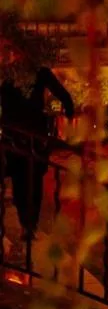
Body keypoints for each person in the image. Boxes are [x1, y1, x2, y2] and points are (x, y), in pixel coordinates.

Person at [0, 42, 75, 241]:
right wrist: (68, 116)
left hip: (23, 138)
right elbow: (65, 98)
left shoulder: (18, 73)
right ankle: (28, 224)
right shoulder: (23, 73)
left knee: (26, 181)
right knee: (27, 181)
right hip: (25, 137)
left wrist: (67, 117)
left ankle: (28, 224)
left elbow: (65, 97)